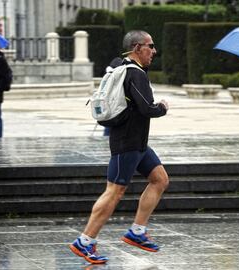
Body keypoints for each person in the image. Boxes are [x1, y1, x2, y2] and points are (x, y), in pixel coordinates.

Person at [69, 30, 169, 264]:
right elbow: (147, 109)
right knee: (114, 192)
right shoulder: (136, 74)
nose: (154, 51)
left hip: (138, 143)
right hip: (128, 143)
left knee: (160, 179)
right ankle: (84, 241)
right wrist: (162, 107)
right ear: (136, 48)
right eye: (150, 46)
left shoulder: (121, 66)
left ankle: (137, 231)